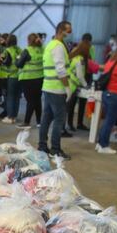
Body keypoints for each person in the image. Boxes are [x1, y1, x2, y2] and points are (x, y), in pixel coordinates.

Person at [38, 20, 73, 159]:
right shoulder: (58, 46)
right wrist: (67, 87)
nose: (70, 33)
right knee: (59, 119)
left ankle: (42, 146)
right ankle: (56, 149)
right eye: (68, 30)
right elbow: (60, 69)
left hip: (47, 87)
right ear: (61, 31)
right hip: (57, 89)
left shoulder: (50, 45)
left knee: (46, 118)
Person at [16, 33, 44, 126]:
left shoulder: (27, 51)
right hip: (40, 78)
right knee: (37, 100)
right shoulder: (42, 50)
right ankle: (39, 122)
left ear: (29, 40)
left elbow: (19, 64)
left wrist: (17, 59)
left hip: (28, 79)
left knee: (30, 101)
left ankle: (26, 122)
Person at [65, 39, 90, 132]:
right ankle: (64, 129)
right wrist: (86, 85)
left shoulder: (75, 57)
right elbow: (79, 75)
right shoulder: (80, 59)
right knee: (67, 108)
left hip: (69, 83)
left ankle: (69, 125)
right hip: (72, 85)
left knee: (69, 107)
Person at [0, 34, 20, 123]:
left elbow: (1, 61)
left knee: (10, 97)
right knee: (17, 97)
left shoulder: (7, 51)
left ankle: (10, 117)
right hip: (19, 76)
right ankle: (14, 116)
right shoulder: (20, 50)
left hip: (10, 76)